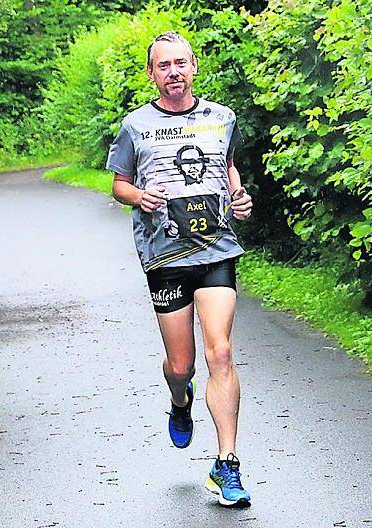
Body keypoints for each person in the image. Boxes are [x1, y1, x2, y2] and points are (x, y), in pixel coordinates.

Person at [106, 31, 254, 508]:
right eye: (164, 65)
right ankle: (179, 399)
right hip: (166, 256)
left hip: (216, 249)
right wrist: (139, 195)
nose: (174, 72)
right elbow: (119, 184)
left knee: (221, 352)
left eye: (180, 63)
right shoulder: (135, 125)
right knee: (182, 365)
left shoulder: (221, 118)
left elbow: (227, 167)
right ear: (152, 74)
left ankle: (227, 463)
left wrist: (239, 195)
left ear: (194, 67)